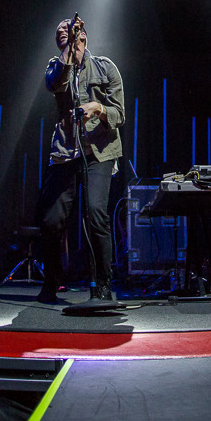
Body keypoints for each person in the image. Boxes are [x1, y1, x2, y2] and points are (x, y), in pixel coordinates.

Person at [34, 16, 125, 308]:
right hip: (65, 152)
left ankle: (102, 285)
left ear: (83, 35)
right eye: (58, 32)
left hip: (99, 151)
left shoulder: (106, 67)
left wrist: (98, 108)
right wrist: (68, 52)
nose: (62, 32)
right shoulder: (56, 65)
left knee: (96, 213)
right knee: (51, 222)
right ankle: (52, 281)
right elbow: (55, 83)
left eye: (68, 30)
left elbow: (119, 114)